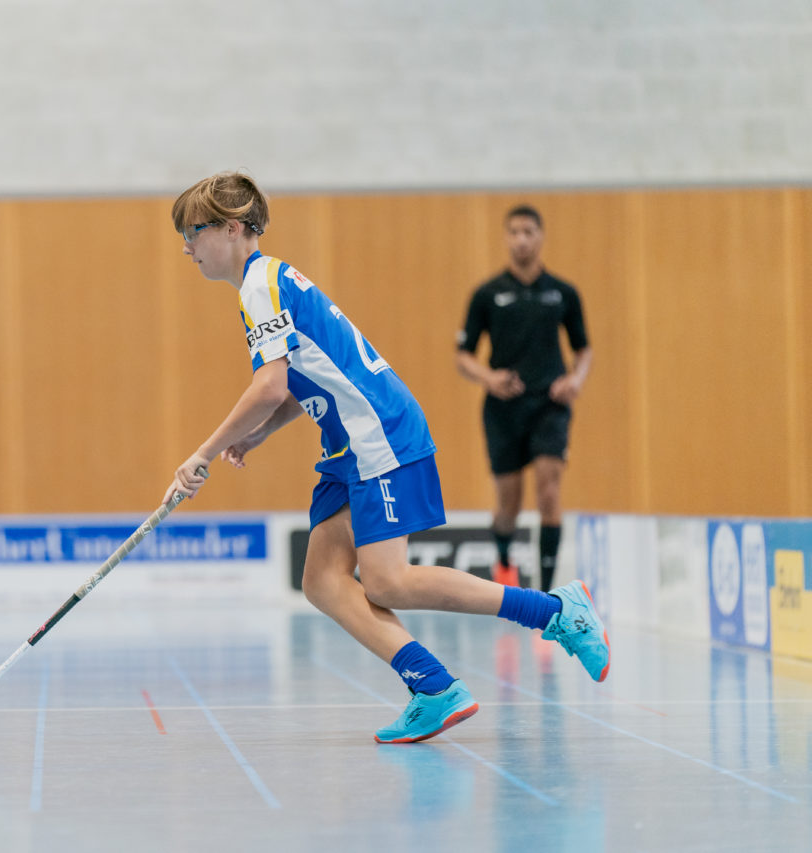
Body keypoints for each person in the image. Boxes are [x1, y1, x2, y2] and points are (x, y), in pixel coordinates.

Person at [163, 172, 609, 744]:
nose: (186, 248)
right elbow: (311, 380)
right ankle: (433, 686)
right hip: (347, 442)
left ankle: (554, 611)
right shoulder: (268, 281)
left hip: (377, 434)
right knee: (324, 580)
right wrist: (258, 435)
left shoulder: (259, 287)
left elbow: (271, 385)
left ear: (231, 229)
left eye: (192, 233)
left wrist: (199, 453)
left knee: (387, 581)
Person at [455, 205, 593, 591]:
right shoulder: (487, 294)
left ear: (541, 236)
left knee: (549, 490)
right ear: (506, 238)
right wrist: (490, 378)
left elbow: (584, 349)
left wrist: (576, 379)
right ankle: (503, 556)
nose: (521, 239)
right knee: (508, 506)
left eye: (528, 232)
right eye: (514, 232)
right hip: (503, 409)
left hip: (550, 405)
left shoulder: (563, 293)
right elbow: (463, 356)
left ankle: (549, 597)